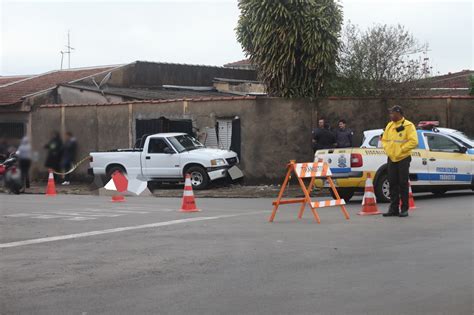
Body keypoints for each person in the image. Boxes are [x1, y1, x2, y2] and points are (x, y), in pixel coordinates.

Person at [381, 105, 418, 217]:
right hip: (392, 158)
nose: (391, 115)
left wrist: (401, 150)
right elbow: (384, 140)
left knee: (403, 183)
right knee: (392, 183)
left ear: (399, 113)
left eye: (393, 113)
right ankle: (393, 208)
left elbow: (413, 141)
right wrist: (388, 151)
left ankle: (404, 208)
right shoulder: (389, 125)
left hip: (403, 158)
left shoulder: (408, 125)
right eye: (390, 113)